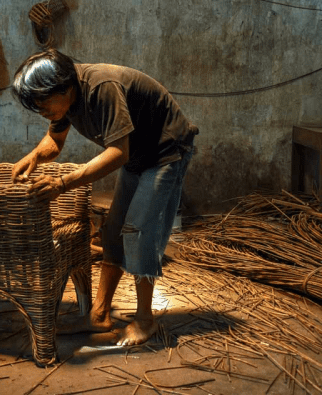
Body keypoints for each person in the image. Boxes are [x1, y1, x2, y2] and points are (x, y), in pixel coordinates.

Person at [10, 48, 198, 346]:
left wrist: (62, 182)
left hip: (165, 151)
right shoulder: (64, 101)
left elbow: (117, 153)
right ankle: (99, 315)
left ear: (63, 87)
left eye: (43, 103)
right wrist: (33, 156)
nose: (41, 110)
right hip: (138, 155)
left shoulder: (101, 88)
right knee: (112, 233)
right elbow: (54, 142)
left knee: (139, 233)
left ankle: (145, 320)